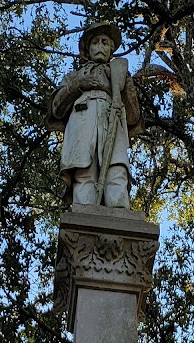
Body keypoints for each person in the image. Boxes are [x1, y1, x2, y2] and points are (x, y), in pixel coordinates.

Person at [50, 21, 141, 208]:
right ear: (88, 48)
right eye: (95, 42)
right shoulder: (75, 76)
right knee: (84, 172)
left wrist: (125, 89)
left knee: (117, 171)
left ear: (111, 49)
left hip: (112, 119)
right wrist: (78, 85)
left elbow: (133, 117)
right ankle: (84, 213)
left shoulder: (118, 76)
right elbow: (57, 108)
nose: (100, 47)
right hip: (83, 121)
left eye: (105, 43)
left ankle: (119, 212)